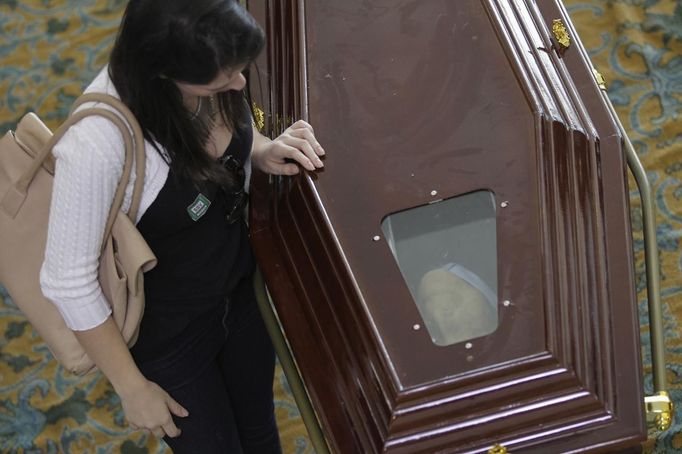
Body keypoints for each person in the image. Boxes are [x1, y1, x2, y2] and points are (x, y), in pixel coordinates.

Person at [39, 0, 325, 452]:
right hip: (170, 339)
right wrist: (132, 388)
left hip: (240, 293)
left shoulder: (211, 59)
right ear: (164, 75)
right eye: (224, 76)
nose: (240, 82)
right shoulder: (97, 144)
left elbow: (224, 127)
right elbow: (66, 283)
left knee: (259, 429)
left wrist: (260, 149)